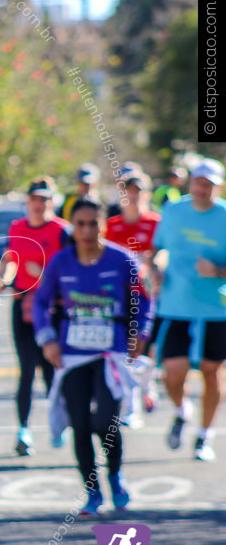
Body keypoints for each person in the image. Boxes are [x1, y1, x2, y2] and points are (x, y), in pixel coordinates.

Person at [33, 198, 152, 515]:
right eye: (80, 224)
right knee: (81, 424)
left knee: (105, 421)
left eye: (93, 223)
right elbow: (40, 303)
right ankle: (92, 491)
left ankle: (115, 476)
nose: (87, 230)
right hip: (72, 356)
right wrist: (47, 339)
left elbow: (143, 299)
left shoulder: (122, 260)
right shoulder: (60, 262)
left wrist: (139, 332)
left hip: (110, 354)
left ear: (103, 225)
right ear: (73, 226)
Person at [151, 158, 226, 462]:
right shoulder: (173, 211)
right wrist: (155, 267)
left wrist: (218, 270)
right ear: (190, 182)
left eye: (208, 184)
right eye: (197, 182)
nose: (201, 189)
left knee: (211, 373)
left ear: (217, 187)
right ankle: (183, 411)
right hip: (175, 305)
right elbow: (158, 249)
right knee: (172, 374)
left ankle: (204, 435)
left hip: (215, 309)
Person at [0, 177, 70, 456]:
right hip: (24, 305)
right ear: (28, 202)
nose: (40, 205)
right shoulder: (17, 227)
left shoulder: (63, 231)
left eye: (45, 200)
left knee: (52, 369)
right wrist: (4, 279)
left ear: (53, 203)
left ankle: (59, 422)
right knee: (26, 370)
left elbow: (73, 268)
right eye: (35, 199)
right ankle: (23, 430)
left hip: (54, 309)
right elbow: (11, 258)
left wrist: (46, 276)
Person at [105, 172, 161, 418]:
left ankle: (145, 386)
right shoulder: (113, 225)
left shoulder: (155, 223)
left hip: (147, 295)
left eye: (138, 191)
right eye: (128, 191)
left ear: (146, 193)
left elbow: (163, 254)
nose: (133, 195)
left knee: (141, 347)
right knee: (124, 349)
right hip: (119, 298)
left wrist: (156, 265)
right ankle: (132, 403)